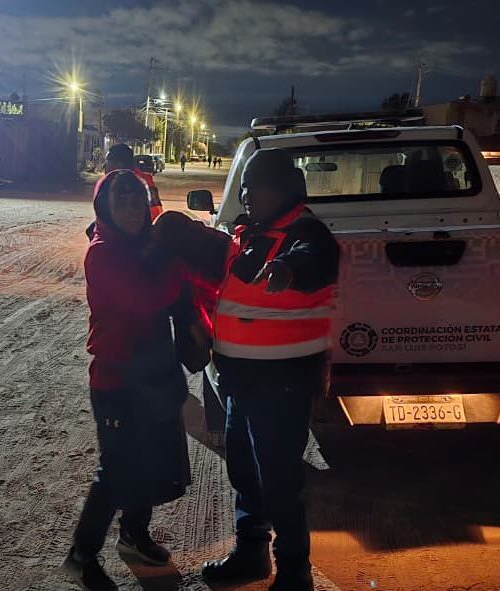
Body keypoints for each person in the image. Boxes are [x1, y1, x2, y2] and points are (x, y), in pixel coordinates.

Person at [198, 149, 340, 591]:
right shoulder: (250, 234)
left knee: (278, 478)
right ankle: (251, 553)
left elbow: (310, 259)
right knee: (243, 469)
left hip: (283, 382)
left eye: (254, 186)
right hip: (242, 380)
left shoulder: (307, 233)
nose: (246, 194)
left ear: (284, 192)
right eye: (244, 186)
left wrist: (285, 269)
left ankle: (295, 572)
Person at [63, 170, 194, 591]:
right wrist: (179, 267)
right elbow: (145, 299)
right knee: (117, 470)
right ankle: (82, 557)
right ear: (105, 207)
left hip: (153, 374)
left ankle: (134, 535)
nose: (132, 210)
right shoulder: (102, 253)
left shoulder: (145, 246)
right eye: (122, 202)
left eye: (137, 201)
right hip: (117, 381)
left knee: (151, 459)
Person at [85, 144, 162, 240]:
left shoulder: (124, 183)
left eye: (109, 162)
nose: (105, 166)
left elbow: (155, 214)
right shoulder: (111, 180)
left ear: (119, 164)